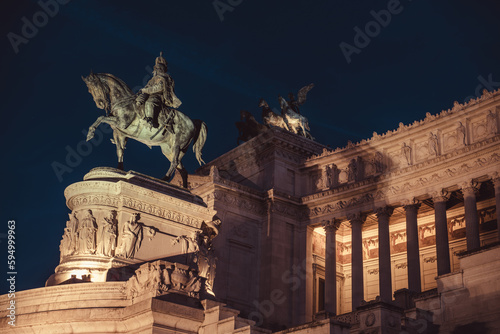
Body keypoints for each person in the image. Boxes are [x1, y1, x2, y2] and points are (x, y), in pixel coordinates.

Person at [135, 52, 182, 132]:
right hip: (148, 94)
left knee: (150, 102)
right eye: (155, 69)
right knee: (137, 101)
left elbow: (159, 88)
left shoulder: (164, 78)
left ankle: (150, 120)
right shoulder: (152, 79)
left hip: (159, 97)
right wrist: (142, 92)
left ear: (161, 69)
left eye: (157, 69)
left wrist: (145, 90)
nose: (155, 71)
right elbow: (147, 87)